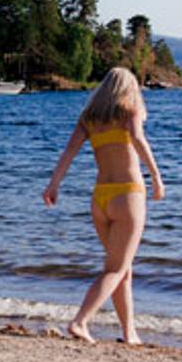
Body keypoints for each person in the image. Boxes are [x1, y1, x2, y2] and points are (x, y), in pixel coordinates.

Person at [42, 66, 165, 344]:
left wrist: (53, 184)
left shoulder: (89, 118)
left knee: (122, 267)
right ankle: (80, 321)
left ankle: (129, 332)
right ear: (128, 89)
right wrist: (156, 177)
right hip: (128, 195)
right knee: (116, 269)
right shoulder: (129, 110)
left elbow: (69, 150)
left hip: (100, 199)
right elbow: (137, 138)